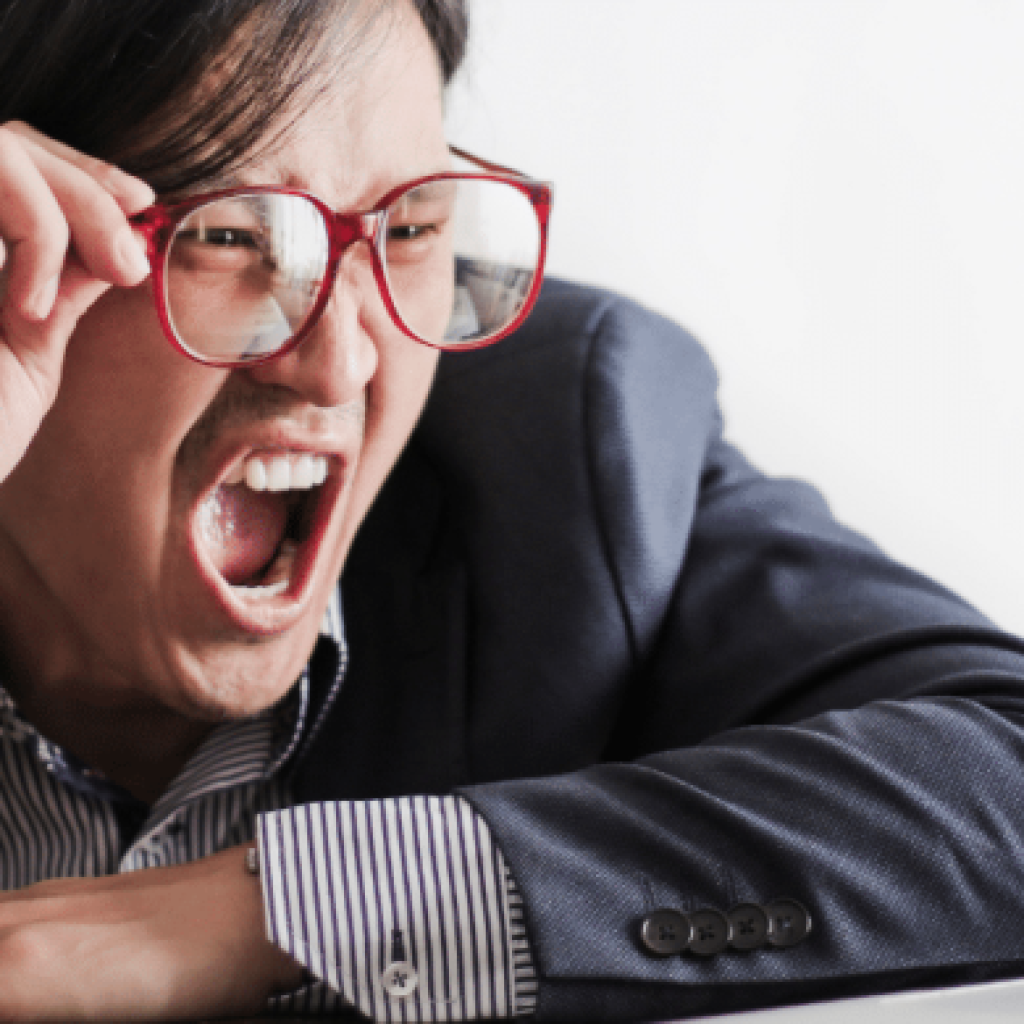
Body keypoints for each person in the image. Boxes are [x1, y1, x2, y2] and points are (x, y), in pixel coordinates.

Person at [0, 0, 1023, 1020]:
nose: (341, 360)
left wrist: (296, 906)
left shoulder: (573, 451)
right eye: (228, 234)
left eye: (409, 229)